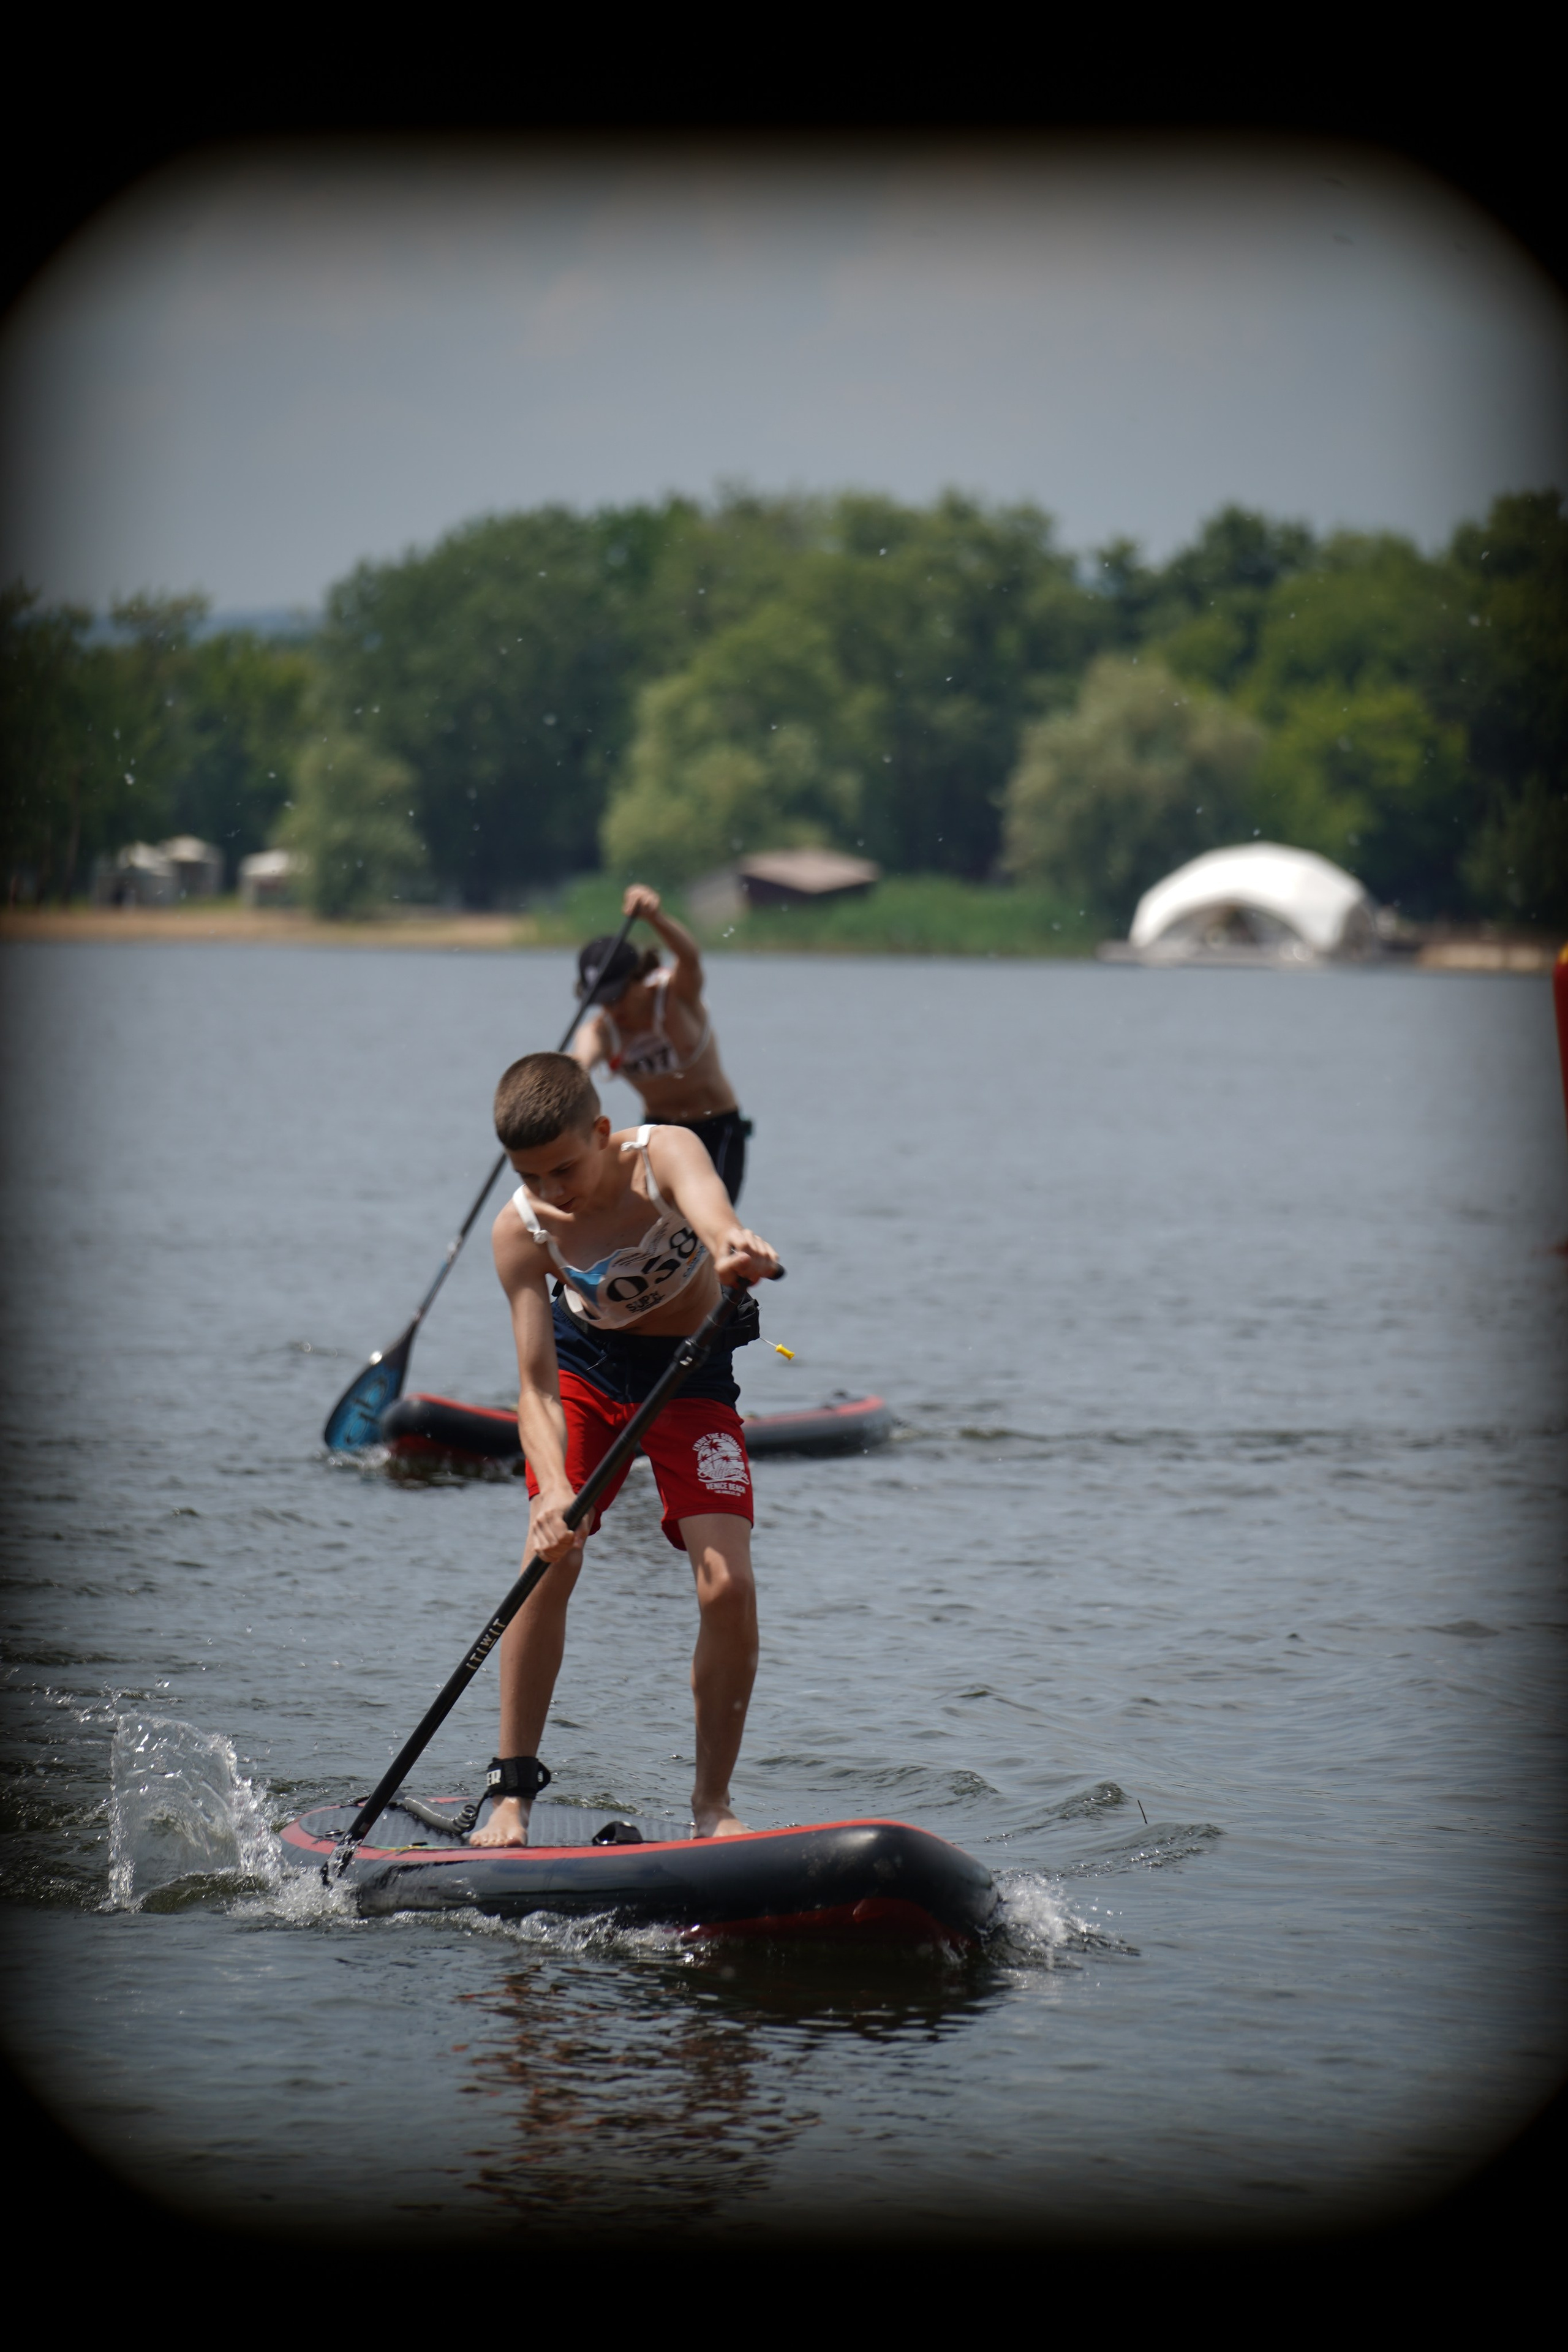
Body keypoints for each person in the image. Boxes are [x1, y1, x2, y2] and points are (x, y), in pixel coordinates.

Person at [470, 1049, 781, 1849]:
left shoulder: (663, 1153)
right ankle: (512, 1797)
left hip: (692, 1377)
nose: (550, 1191)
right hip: (588, 1375)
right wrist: (547, 1501)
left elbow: (712, 1214)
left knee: (728, 1587)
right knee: (553, 1557)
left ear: (603, 1133)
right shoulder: (521, 1231)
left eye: (563, 1169)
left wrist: (734, 1248)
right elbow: (535, 1386)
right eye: (530, 1176)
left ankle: (712, 1808)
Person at [569, 883, 752, 1202]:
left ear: (639, 977)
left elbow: (689, 956)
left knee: (707, 1224)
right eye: (602, 1001)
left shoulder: (676, 996)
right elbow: (579, 1063)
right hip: (659, 1132)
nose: (613, 1009)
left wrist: (655, 918)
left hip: (716, 1128)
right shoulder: (600, 1032)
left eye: (618, 997)